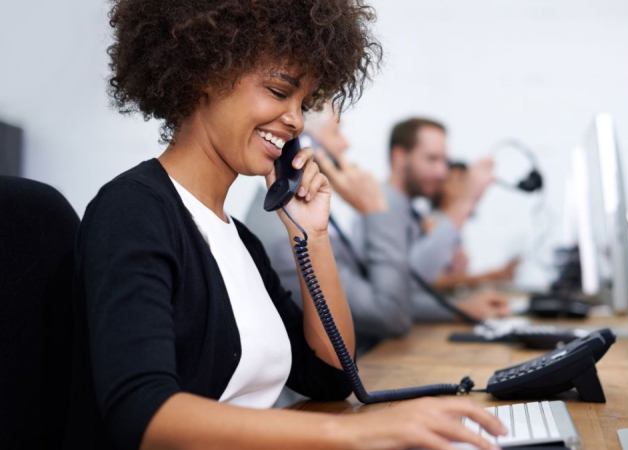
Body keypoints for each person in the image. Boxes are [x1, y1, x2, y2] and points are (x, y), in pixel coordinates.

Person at [64, 2, 505, 449]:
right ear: (206, 74)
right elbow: (143, 414)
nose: (295, 120)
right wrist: (351, 432)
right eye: (279, 92)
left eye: (303, 103)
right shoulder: (133, 211)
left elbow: (331, 376)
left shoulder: (239, 239)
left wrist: (312, 236)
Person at [245, 104, 412, 352]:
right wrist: (376, 212)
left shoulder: (309, 213)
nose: (346, 144)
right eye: (336, 132)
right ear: (301, 144)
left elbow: (396, 299)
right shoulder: (285, 237)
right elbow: (390, 316)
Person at [385, 118, 511, 321]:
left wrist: (461, 306)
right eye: (432, 159)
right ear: (399, 156)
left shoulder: (405, 210)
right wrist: (466, 200)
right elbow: (409, 287)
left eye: (443, 161)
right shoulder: (381, 208)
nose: (442, 172)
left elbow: (410, 291)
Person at [428, 161, 520, 292]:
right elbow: (434, 281)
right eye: (459, 180)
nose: (465, 186)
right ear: (441, 186)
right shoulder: (432, 224)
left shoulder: (454, 227)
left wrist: (496, 276)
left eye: (466, 181)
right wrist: (491, 276)